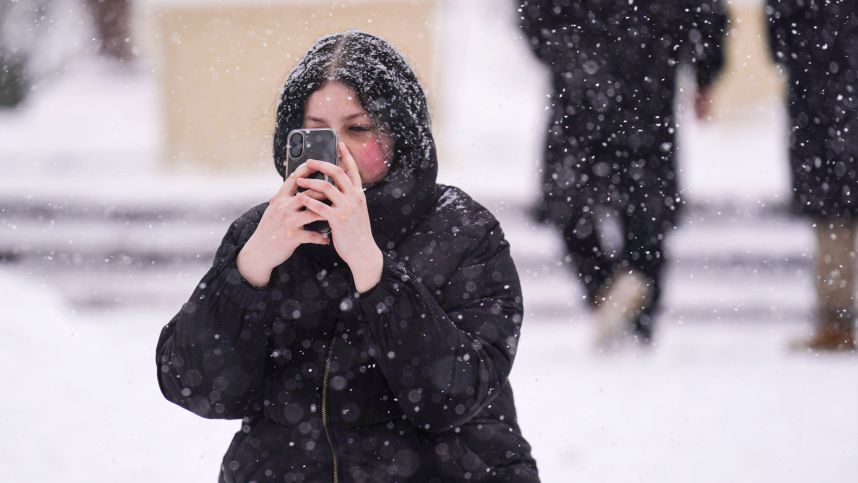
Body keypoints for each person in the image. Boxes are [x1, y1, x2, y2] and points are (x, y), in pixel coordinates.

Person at [156, 31, 540, 482]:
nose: (336, 152)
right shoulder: (260, 233)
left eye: (358, 129)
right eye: (315, 132)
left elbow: (453, 396)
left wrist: (373, 269)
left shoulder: (462, 231)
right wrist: (250, 269)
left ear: (402, 135)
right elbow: (197, 388)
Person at [517, 0, 728, 347]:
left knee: (570, 203)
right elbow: (706, 13)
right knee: (645, 209)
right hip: (646, 78)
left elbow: (533, 13)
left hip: (583, 84)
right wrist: (705, 71)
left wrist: (562, 51)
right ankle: (635, 300)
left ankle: (608, 290)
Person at [767, 0, 857, 352]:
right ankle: (835, 321)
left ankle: (835, 321)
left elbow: (779, 32)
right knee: (835, 216)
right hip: (824, 95)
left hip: (819, 95)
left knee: (834, 218)